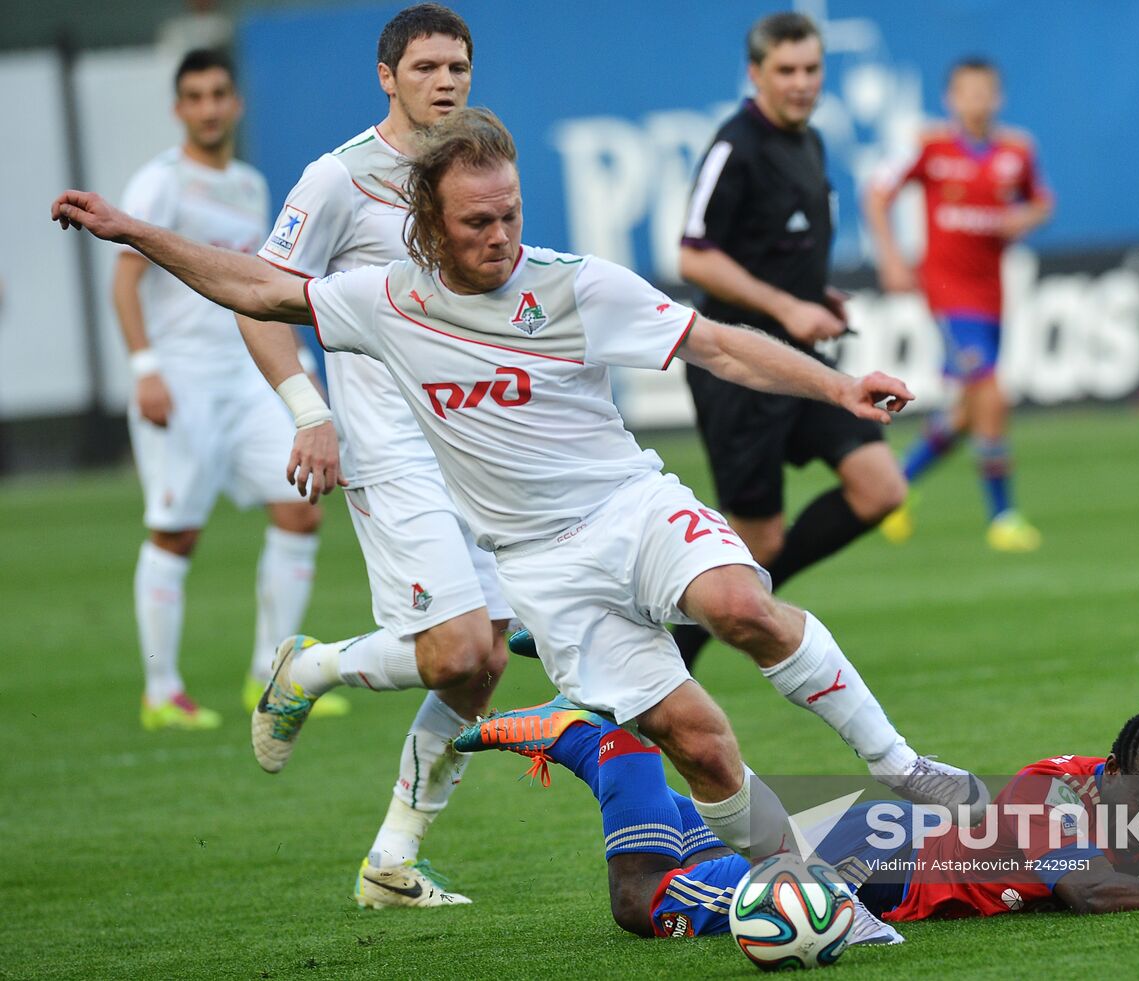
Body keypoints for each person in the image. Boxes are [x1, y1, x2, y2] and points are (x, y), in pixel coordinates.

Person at [53, 107, 990, 863]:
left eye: (511, 213)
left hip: (633, 506)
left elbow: (712, 342)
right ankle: (790, 885)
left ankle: (901, 765)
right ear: (429, 223)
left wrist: (836, 383)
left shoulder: (577, 286)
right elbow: (256, 288)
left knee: (741, 602)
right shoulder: (386, 303)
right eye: (477, 221)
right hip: (541, 565)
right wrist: (133, 231)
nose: (501, 235)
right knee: (701, 745)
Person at [233, 4, 510, 908]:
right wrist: (310, 412)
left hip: (473, 446)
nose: (446, 81)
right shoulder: (339, 178)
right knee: (453, 651)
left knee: (483, 660)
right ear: (387, 76)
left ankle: (392, 860)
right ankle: (310, 668)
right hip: (389, 450)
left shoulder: (472, 166)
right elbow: (256, 299)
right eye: (427, 66)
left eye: (458, 67)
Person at [458, 701, 1139, 936]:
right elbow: (1095, 896)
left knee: (692, 837)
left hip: (868, 835)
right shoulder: (1052, 801)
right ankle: (602, 743)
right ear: (1109, 774)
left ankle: (605, 714)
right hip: (869, 873)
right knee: (638, 899)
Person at [673, 12, 908, 669]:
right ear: (756, 73)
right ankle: (676, 641)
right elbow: (695, 257)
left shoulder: (809, 142)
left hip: (802, 362)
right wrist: (783, 305)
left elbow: (780, 245)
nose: (801, 83)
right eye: (786, 71)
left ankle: (734, 607)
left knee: (880, 487)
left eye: (811, 69)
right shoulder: (736, 146)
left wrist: (816, 297)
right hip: (740, 367)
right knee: (758, 538)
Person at [112, 49, 324, 732]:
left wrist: (305, 373)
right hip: (181, 378)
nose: (208, 107)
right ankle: (161, 689)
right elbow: (124, 279)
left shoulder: (251, 185)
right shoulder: (160, 183)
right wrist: (145, 367)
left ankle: (270, 676)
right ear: (180, 109)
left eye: (218, 94)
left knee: (300, 509)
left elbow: (258, 286)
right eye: (195, 96)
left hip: (244, 374)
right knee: (175, 531)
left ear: (235, 104)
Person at [865, 57, 1054, 552]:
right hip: (947, 293)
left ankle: (894, 489)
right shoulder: (929, 146)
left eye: (986, 92)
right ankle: (1003, 516)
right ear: (951, 99)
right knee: (991, 393)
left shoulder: (1016, 151)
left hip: (992, 296)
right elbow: (877, 192)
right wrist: (891, 257)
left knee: (969, 413)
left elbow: (1041, 201)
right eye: (967, 92)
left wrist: (1025, 219)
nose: (977, 101)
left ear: (999, 98)